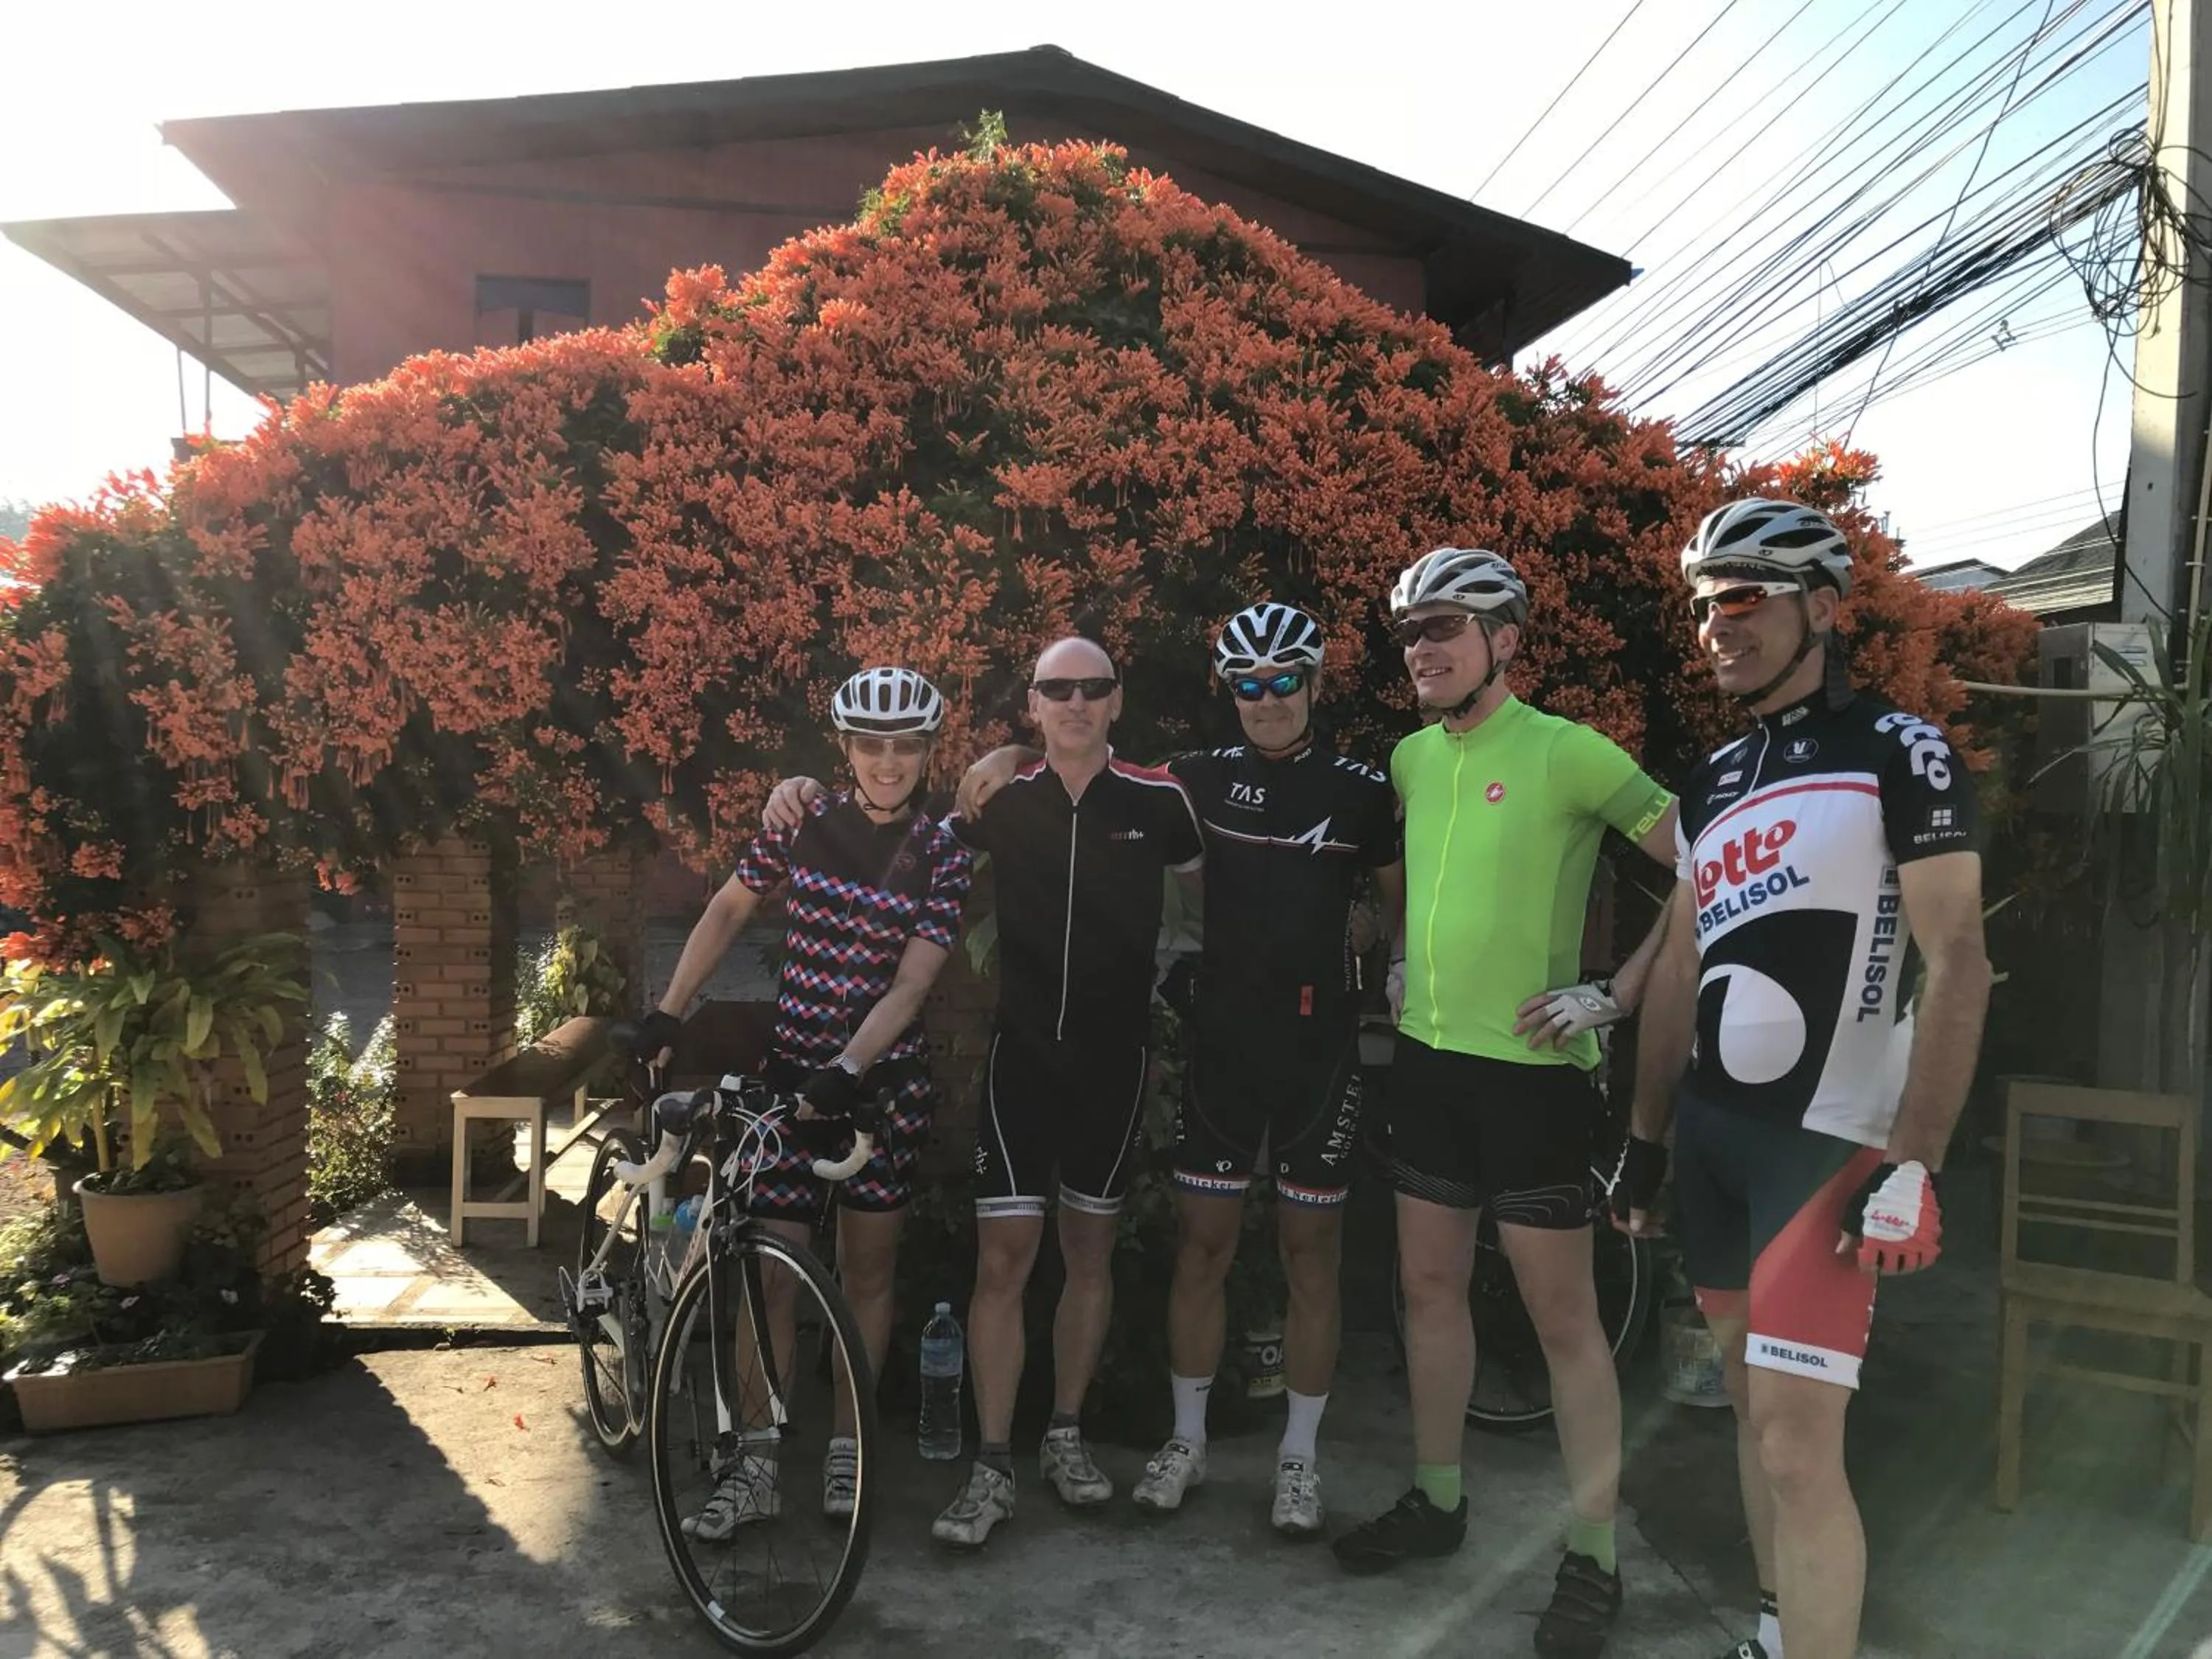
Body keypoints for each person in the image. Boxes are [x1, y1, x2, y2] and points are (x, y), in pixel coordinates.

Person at [1616, 499, 1989, 1659]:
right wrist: (1645, 1135)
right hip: (1717, 1137)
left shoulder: (1900, 749)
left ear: (1823, 607)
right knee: (1744, 1405)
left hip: (1826, 1143)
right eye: (1702, 604)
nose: (1714, 625)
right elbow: (1682, 962)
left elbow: (1959, 962)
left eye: (1743, 598)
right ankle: (1778, 1629)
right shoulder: (1710, 779)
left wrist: (1917, 1160)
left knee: (1796, 1441)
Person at [955, 603, 1404, 1537]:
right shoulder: (1189, 782)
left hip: (1318, 1053)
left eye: (1285, 682)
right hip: (1219, 1050)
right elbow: (1085, 793)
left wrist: (1382, 955)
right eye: (1249, 683)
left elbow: (1398, 906)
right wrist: (994, 762)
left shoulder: (1364, 789)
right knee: (1201, 1250)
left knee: (1309, 1255)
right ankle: (1188, 1440)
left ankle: (1298, 1459)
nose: (1267, 699)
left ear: (1315, 685)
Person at [764, 636, 1205, 1549]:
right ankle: (993, 1464)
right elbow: (894, 829)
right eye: (1056, 691)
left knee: (1090, 1258)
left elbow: (1203, 904)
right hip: (1022, 1065)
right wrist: (795, 790)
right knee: (1001, 1265)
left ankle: (1067, 1438)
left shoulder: (1161, 801)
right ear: (1033, 706)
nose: (1075, 703)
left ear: (1117, 702)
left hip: (1116, 1069)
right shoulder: (1001, 798)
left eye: (1092, 689)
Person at [1335, 546, 1680, 1659]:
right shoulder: (1409, 759)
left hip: (1535, 1079)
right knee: (1430, 1289)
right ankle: (1439, 1499)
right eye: (1408, 632)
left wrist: (1615, 993)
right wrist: (1394, 960)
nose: (1422, 648)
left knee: (1564, 1322)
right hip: (1428, 1067)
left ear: (1506, 642)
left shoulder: (1569, 751)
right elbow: (1419, 891)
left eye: (1445, 626)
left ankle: (1594, 1554)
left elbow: (1713, 864)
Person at [632, 665, 973, 1540]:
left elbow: (914, 980)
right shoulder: (803, 821)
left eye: (905, 746)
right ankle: (755, 1462)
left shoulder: (942, 850)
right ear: (846, 748)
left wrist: (850, 1069)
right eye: (871, 744)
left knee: (867, 1274)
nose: (888, 762)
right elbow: (726, 911)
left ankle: (848, 1452)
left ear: (927, 751)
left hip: (876, 1090)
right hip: (789, 1088)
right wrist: (669, 1011)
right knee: (768, 1274)